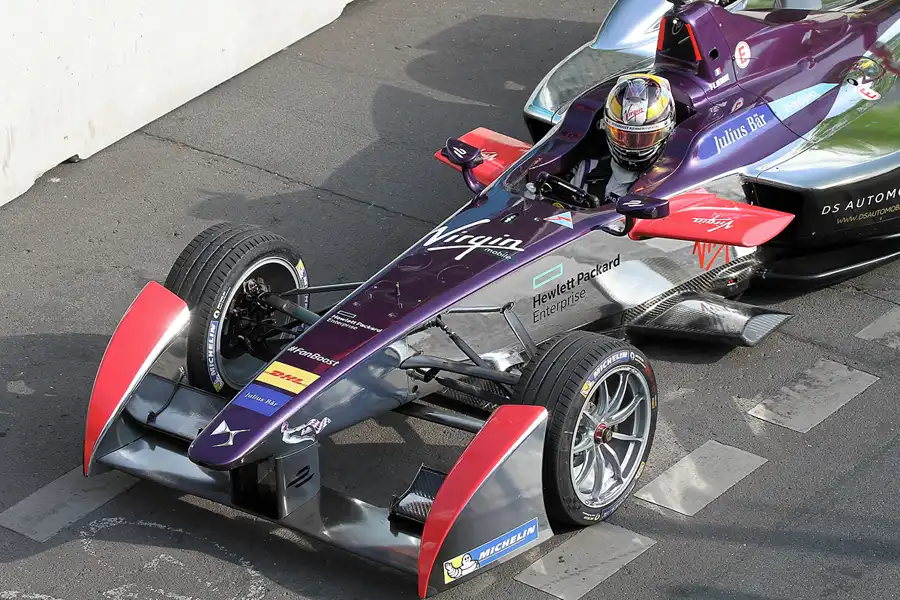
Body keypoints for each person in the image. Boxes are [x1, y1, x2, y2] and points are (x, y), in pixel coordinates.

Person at [577, 73, 677, 203]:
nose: (632, 148)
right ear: (604, 126)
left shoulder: (674, 183)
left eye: (644, 138)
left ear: (668, 130)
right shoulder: (588, 170)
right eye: (622, 136)